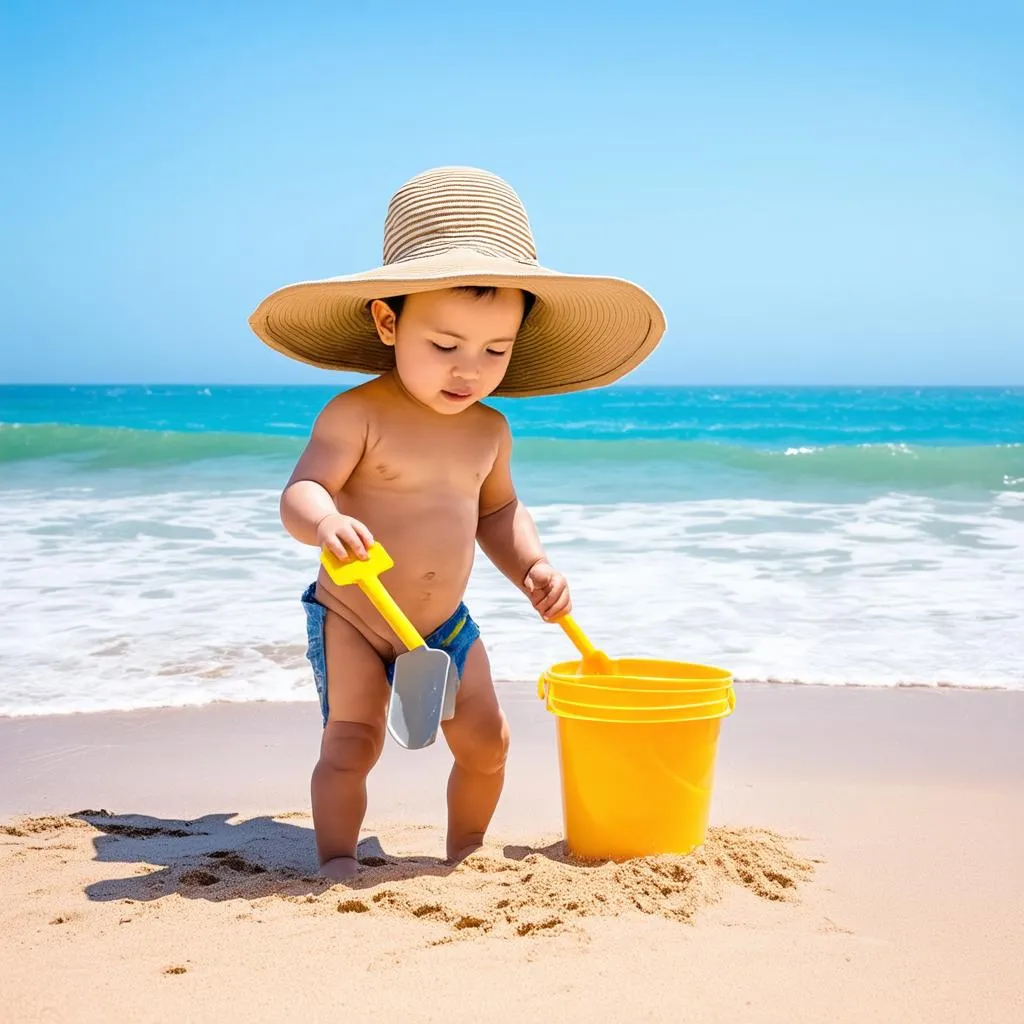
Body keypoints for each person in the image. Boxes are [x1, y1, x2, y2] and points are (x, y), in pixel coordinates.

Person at [248, 166, 665, 880]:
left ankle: (465, 852)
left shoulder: (489, 431)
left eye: (494, 351)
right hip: (356, 613)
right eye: (445, 347)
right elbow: (302, 490)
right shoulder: (358, 414)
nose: (468, 370)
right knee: (352, 743)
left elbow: (498, 512)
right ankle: (339, 859)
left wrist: (532, 564)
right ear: (388, 321)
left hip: (445, 623)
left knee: (488, 741)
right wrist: (324, 524)